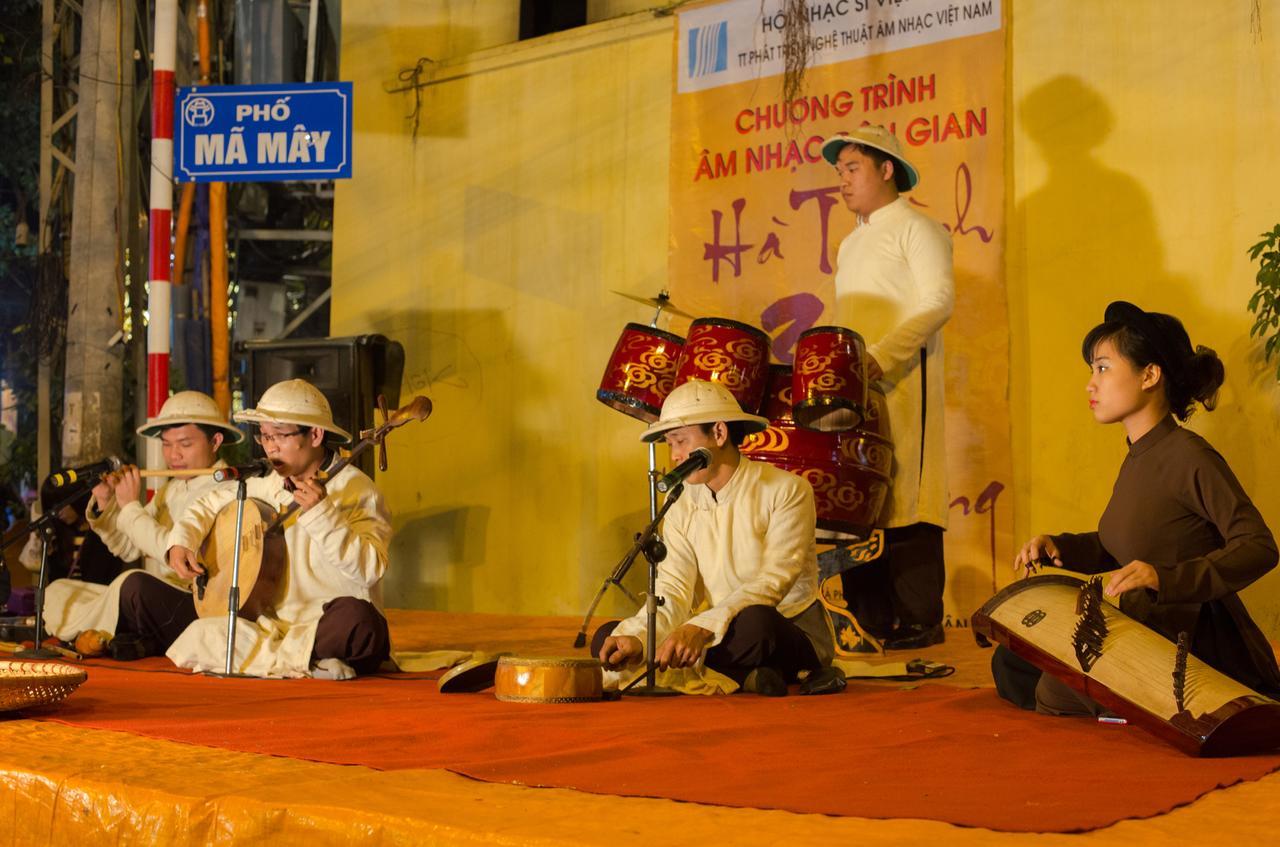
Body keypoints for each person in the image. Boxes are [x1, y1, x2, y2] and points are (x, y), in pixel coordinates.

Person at [993, 301, 1280, 714]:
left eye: (1103, 368)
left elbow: (1259, 546)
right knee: (1013, 659)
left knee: (1049, 687)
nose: (1091, 384)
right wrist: (1059, 546)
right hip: (1147, 623)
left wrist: (1167, 579)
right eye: (1092, 370)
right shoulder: (1139, 456)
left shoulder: (1189, 455)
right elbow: (1127, 544)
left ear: (1149, 375)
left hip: (1193, 641)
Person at [592, 380, 842, 696]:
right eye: (670, 444)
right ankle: (747, 677)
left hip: (783, 628)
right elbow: (674, 590)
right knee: (607, 639)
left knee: (756, 624)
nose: (676, 456)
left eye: (681, 441)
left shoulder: (787, 490)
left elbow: (774, 581)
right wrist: (640, 638)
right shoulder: (682, 503)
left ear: (719, 434)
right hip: (718, 632)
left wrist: (702, 628)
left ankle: (717, 670)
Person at [147, 378, 392, 678]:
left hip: (326, 622)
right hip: (272, 625)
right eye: (264, 436)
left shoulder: (358, 490)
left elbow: (369, 569)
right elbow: (207, 503)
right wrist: (182, 541)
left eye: (280, 436)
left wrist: (323, 513)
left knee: (361, 622)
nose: (270, 446)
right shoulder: (264, 481)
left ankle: (292, 659)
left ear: (315, 435)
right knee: (202, 632)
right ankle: (308, 660)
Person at [821, 125, 956, 650]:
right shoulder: (850, 243)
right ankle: (871, 618)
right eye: (839, 172)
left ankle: (920, 619)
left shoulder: (916, 228)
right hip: (858, 385)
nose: (843, 182)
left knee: (908, 494)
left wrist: (880, 357)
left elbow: (937, 301)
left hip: (900, 381)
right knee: (862, 493)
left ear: (886, 170)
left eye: (852, 169)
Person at [41, 391, 240, 647]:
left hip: (197, 600)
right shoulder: (171, 489)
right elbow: (128, 548)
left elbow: (175, 557)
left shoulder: (228, 489)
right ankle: (128, 638)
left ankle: (122, 638)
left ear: (215, 441)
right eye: (167, 444)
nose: (173, 455)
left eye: (185, 444)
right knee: (58, 592)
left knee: (133, 585)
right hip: (158, 598)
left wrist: (130, 507)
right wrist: (108, 503)